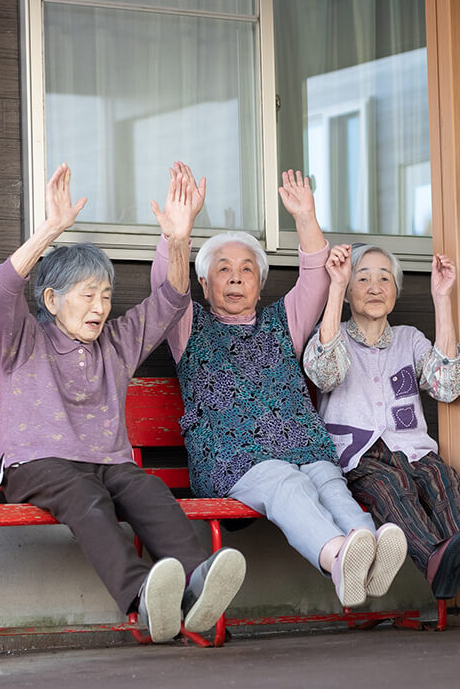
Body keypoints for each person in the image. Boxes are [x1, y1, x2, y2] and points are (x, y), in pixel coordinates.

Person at [0, 161, 246, 644]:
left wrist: (178, 240)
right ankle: (143, 595)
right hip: (37, 464)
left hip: (107, 462)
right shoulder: (22, 341)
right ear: (51, 299)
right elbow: (0, 289)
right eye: (87, 296)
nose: (100, 308)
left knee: (148, 489)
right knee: (87, 499)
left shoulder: (115, 343)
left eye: (106, 296)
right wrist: (51, 228)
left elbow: (171, 300)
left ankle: (194, 583)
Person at [150, 170, 407, 609]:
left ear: (260, 284)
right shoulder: (188, 325)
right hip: (234, 461)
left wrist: (306, 217)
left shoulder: (280, 322)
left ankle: (367, 545)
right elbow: (166, 287)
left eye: (246, 270)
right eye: (223, 270)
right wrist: (178, 235)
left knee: (328, 479)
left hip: (304, 448)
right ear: (205, 284)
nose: (235, 278)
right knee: (286, 481)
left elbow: (315, 280)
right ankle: (337, 556)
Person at [303, 244, 460, 601]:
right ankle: (434, 561)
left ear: (396, 292)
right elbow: (325, 374)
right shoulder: (329, 335)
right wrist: (333, 288)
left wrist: (442, 299)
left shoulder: (408, 339)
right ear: (350, 291)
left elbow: (446, 386)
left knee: (443, 478)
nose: (375, 286)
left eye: (385, 278)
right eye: (362, 277)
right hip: (360, 457)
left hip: (412, 448)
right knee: (391, 486)